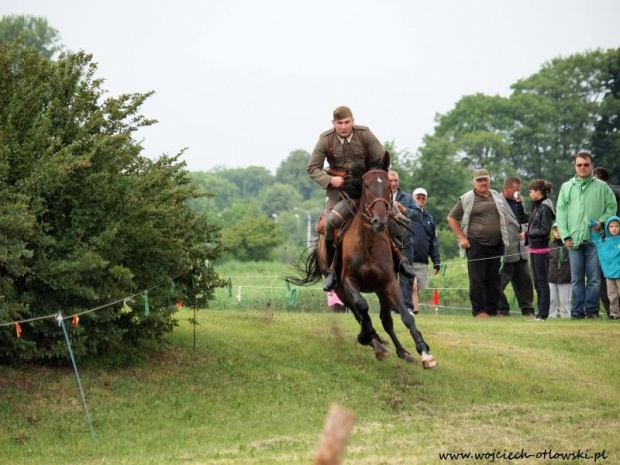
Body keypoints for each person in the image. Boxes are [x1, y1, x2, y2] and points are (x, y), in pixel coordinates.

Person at [307, 106, 414, 291]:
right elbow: (312, 168)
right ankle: (332, 270)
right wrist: (330, 179)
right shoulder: (326, 139)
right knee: (331, 223)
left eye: (347, 122)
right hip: (341, 193)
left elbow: (380, 159)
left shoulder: (365, 134)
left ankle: (401, 260)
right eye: (339, 123)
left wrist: (370, 177)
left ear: (352, 120)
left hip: (368, 190)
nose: (343, 126)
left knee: (397, 219)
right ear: (333, 123)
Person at [556, 151, 618, 319]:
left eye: (586, 164)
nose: (582, 167)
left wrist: (601, 222)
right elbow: (561, 214)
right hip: (574, 242)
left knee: (595, 279)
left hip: (595, 241)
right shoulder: (566, 187)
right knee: (576, 279)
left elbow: (611, 208)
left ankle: (592, 311)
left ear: (592, 166)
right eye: (579, 165)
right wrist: (565, 236)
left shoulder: (603, 187)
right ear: (575, 166)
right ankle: (577, 312)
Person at [447, 168, 509, 318]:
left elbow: (504, 215)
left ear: (489, 180)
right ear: (474, 182)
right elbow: (451, 217)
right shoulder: (467, 198)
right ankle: (479, 311)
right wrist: (462, 237)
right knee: (477, 279)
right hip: (476, 244)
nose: (483, 182)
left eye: (485, 179)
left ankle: (493, 310)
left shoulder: (497, 196)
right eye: (479, 180)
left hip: (497, 244)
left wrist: (503, 230)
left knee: (495, 279)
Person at [498, 177, 535, 318]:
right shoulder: (497, 200)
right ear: (506, 188)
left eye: (519, 190)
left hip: (521, 248)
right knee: (499, 283)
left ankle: (528, 310)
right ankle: (502, 309)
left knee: (525, 282)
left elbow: (524, 218)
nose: (518, 193)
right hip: (506, 249)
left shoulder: (522, 200)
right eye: (515, 190)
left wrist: (526, 232)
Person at [521, 180, 555, 320]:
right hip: (533, 249)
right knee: (537, 283)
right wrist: (518, 203)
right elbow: (523, 218)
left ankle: (543, 314)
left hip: (541, 250)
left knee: (542, 282)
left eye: (531, 191)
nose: (529, 193)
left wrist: (527, 234)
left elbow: (544, 230)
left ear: (538, 192)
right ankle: (540, 313)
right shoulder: (536, 207)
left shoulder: (545, 208)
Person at [388, 171, 421, 314]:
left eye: (396, 180)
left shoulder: (407, 197)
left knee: (406, 275)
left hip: (405, 242)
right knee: (390, 275)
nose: (394, 183)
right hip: (387, 242)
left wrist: (404, 209)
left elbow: (418, 215)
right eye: (391, 180)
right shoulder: (379, 196)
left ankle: (407, 306)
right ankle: (392, 307)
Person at [592, 166, 620, 316]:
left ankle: (612, 311)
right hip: (604, 241)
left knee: (603, 275)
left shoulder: (608, 192)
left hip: (610, 242)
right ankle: (613, 311)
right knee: (605, 277)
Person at [410, 187, 441, 314]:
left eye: (423, 198)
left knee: (417, 289)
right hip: (407, 258)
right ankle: (412, 311)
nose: (421, 200)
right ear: (413, 198)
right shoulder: (407, 213)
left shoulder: (429, 218)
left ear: (426, 200)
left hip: (422, 260)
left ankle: (409, 310)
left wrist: (436, 261)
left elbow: (434, 242)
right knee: (413, 286)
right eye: (418, 197)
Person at [591, 216, 620, 320]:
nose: (614, 228)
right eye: (611, 226)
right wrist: (593, 226)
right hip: (609, 274)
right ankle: (614, 314)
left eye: (616, 226)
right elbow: (595, 239)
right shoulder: (604, 241)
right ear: (608, 228)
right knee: (612, 296)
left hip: (619, 273)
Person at [548, 223, 571, 319]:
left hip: (565, 277)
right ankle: (551, 316)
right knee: (551, 299)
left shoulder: (569, 245)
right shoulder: (550, 245)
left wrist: (567, 274)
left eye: (559, 230)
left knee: (565, 300)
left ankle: (566, 317)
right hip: (552, 277)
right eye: (555, 230)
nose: (557, 233)